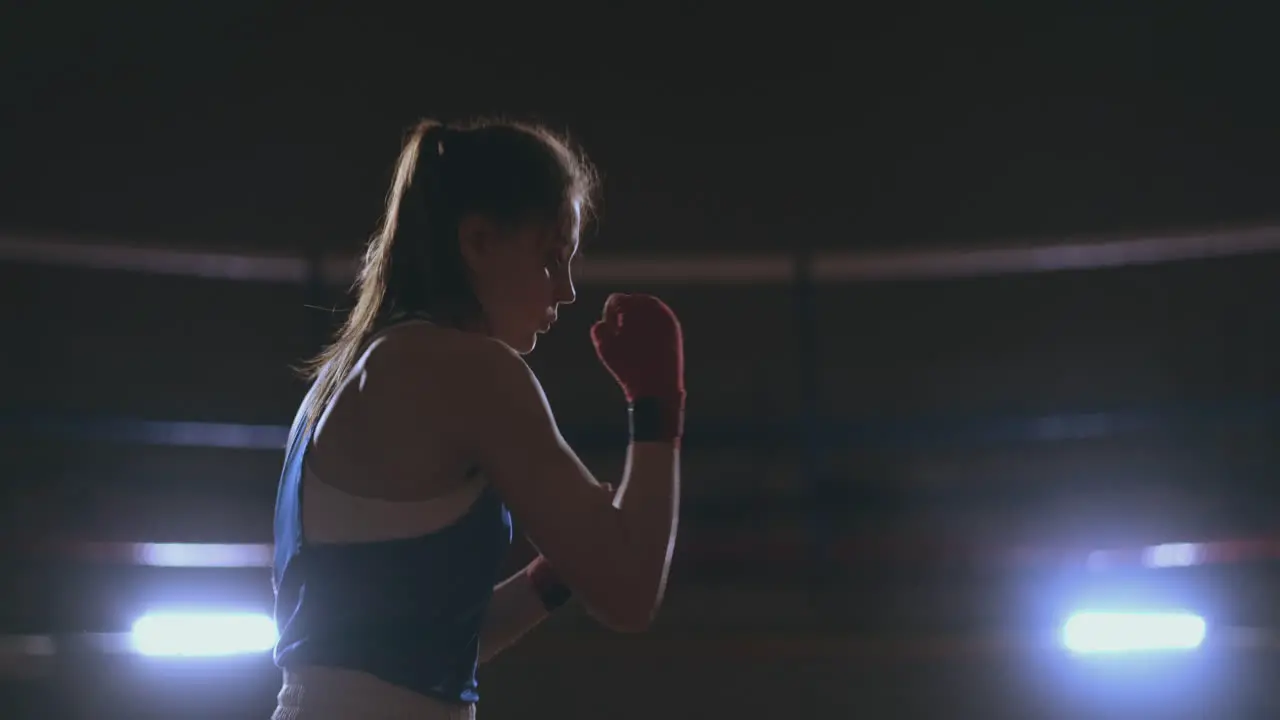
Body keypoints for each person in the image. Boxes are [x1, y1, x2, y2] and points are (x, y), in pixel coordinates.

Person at [271, 118, 685, 720]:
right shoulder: (468, 368)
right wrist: (657, 405)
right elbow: (630, 592)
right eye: (551, 258)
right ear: (478, 241)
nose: (566, 291)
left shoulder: (345, 374)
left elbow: (421, 646)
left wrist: (553, 577)